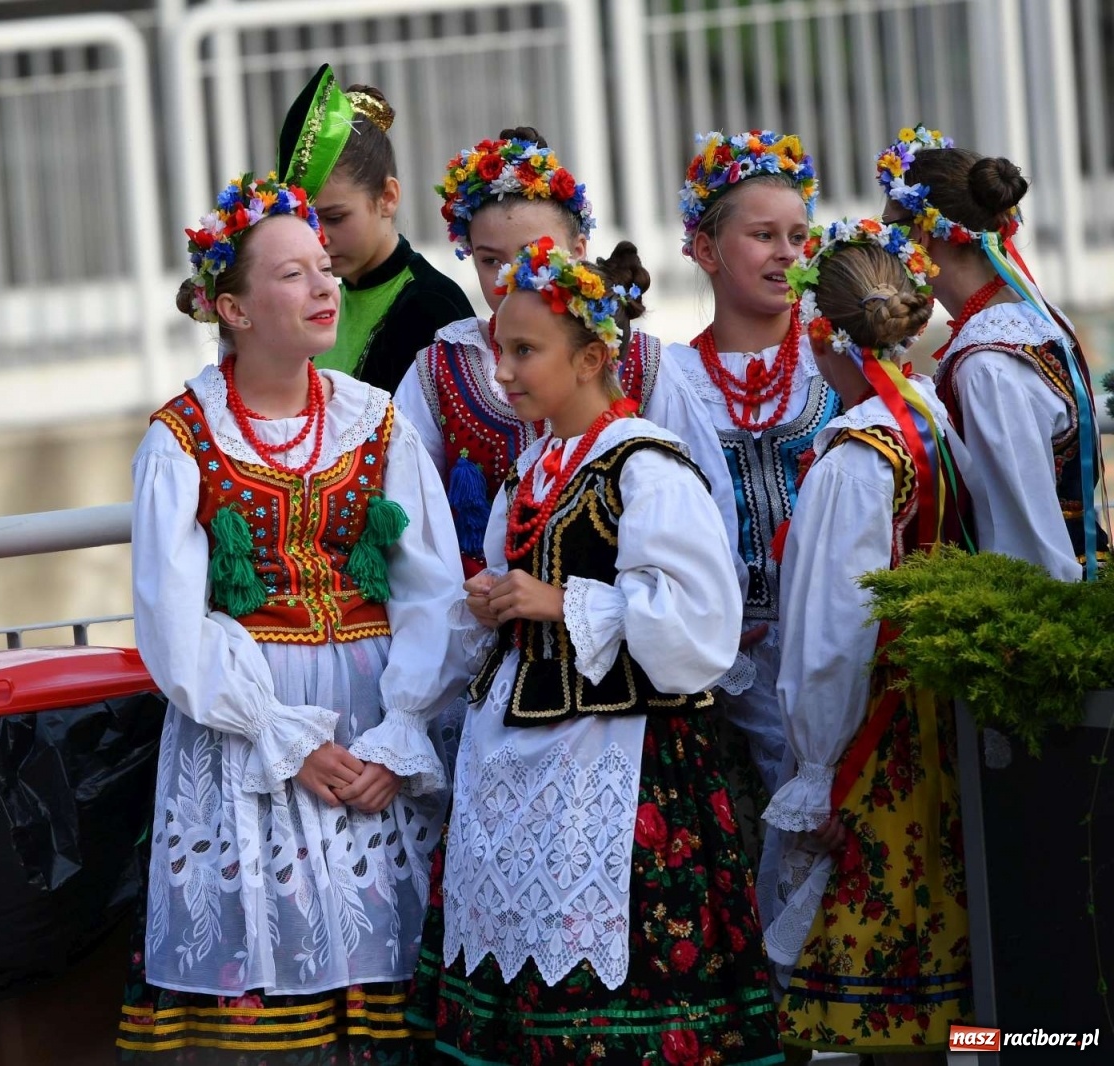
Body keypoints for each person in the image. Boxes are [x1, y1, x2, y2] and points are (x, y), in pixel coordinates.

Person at [118, 174, 468, 1063]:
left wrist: (400, 735)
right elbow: (173, 625)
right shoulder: (182, 437)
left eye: (324, 268)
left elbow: (429, 587)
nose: (325, 288)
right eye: (292, 276)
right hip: (250, 731)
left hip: (372, 713)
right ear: (231, 307)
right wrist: (281, 737)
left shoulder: (374, 419)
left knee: (387, 962)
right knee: (277, 967)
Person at [408, 238, 779, 1065]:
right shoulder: (533, 472)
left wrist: (562, 601)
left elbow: (700, 626)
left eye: (524, 350)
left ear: (593, 359)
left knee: (615, 985)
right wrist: (495, 603)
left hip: (624, 766)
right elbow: (518, 585)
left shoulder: (645, 467)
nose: (501, 371)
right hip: (521, 765)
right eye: (501, 347)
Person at [761, 220, 972, 1058]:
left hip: (873, 741)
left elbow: (830, 637)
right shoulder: (930, 424)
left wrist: (819, 773)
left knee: (868, 976)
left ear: (823, 334)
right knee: (941, 937)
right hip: (929, 718)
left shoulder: (855, 459)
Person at [395, 128, 739, 579]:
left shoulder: (640, 363)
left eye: (532, 255)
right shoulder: (442, 368)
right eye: (489, 260)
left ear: (579, 252)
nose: (508, 277)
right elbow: (408, 515)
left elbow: (704, 499)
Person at [665, 130, 839, 803]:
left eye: (798, 236)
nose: (788, 253)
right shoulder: (671, 380)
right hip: (722, 670)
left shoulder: (838, 362)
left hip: (836, 656)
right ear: (706, 249)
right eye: (764, 235)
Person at [878, 124, 1107, 579]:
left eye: (889, 228)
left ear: (922, 235)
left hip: (1042, 609)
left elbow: (1022, 541)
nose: (883, 244)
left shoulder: (989, 364)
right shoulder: (1037, 320)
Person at [276, 65, 474, 393]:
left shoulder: (433, 308)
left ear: (387, 197)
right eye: (307, 221)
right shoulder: (325, 301)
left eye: (335, 217)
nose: (319, 238)